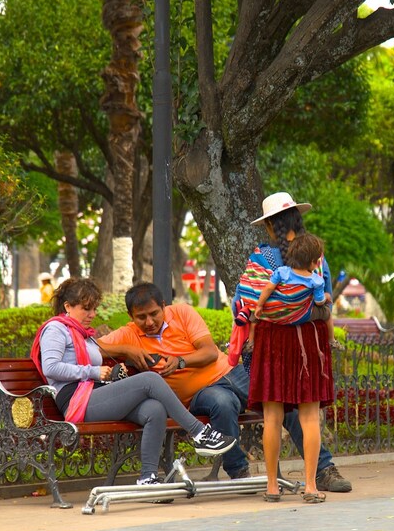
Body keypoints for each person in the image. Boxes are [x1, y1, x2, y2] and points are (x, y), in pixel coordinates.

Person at [97, 282, 353, 492]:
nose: (150, 321)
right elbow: (92, 347)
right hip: (200, 394)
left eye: (154, 313)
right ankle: (240, 473)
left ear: (164, 306)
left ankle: (323, 470)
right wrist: (127, 349)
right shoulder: (128, 333)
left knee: (283, 403)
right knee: (223, 404)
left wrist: (181, 361)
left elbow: (209, 353)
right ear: (131, 317)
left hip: (231, 372)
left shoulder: (183, 313)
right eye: (141, 317)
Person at [32, 277, 237, 492]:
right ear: (67, 306)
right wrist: (93, 371)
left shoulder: (81, 334)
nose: (92, 315)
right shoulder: (56, 329)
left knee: (154, 409)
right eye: (86, 309)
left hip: (94, 393)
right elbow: (51, 368)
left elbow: (103, 351)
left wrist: (120, 360)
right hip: (76, 400)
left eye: (94, 309)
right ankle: (199, 433)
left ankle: (148, 479)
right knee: (150, 380)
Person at [240, 191, 334, 503]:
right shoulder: (314, 256)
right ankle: (310, 485)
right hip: (309, 340)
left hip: (272, 341)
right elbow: (326, 301)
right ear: (297, 218)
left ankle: (271, 486)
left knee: (272, 417)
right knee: (309, 417)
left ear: (270, 226)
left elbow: (247, 301)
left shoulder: (262, 258)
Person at [252, 232, 336, 348]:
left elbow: (268, 288)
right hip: (302, 316)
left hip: (278, 313)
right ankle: (331, 340)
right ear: (312, 261)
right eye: (316, 261)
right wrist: (327, 297)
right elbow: (318, 302)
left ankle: (250, 342)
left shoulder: (282, 272)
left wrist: (260, 305)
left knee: (253, 312)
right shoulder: (316, 280)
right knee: (326, 313)